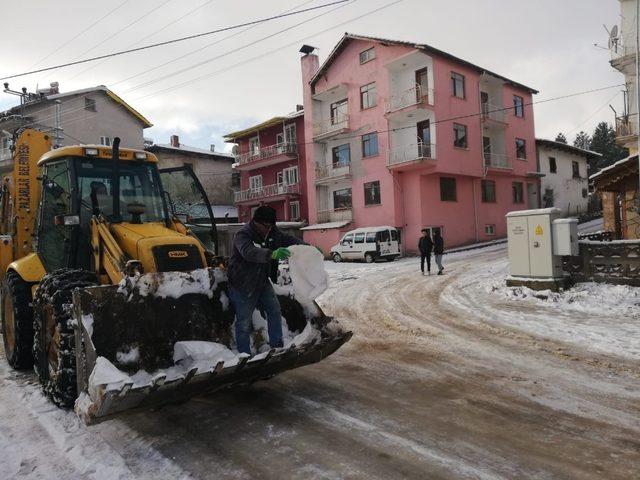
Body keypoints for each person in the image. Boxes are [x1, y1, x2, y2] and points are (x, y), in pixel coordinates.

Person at [227, 205, 306, 355]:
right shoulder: (243, 235)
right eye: (266, 226)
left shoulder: (272, 231)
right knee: (243, 322)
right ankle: (244, 355)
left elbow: (288, 239)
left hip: (262, 281)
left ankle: (277, 346)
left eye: (271, 226)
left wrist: (308, 248)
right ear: (256, 222)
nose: (269, 229)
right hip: (243, 284)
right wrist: (272, 254)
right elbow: (248, 252)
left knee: (274, 311)